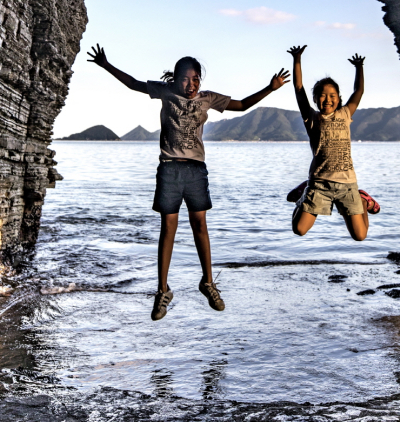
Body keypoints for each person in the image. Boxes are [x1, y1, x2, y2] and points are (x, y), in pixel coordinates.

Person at [87, 45, 290, 320]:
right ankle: (162, 292)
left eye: (196, 79)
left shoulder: (207, 99)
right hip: (169, 169)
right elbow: (133, 84)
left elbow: (241, 105)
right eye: (186, 78)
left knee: (200, 226)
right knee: (168, 229)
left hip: (196, 170)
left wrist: (270, 87)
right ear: (176, 78)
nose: (191, 84)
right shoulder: (165, 91)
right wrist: (106, 65)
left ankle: (208, 283)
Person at [286, 45, 379, 241]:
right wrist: (297, 59)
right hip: (319, 183)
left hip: (347, 184)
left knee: (360, 236)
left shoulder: (345, 114)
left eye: (332, 96)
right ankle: (304, 194)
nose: (327, 99)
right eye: (322, 95)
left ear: (338, 99)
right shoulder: (311, 118)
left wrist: (359, 67)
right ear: (315, 99)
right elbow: (298, 88)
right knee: (299, 229)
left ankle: (363, 200)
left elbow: (359, 91)